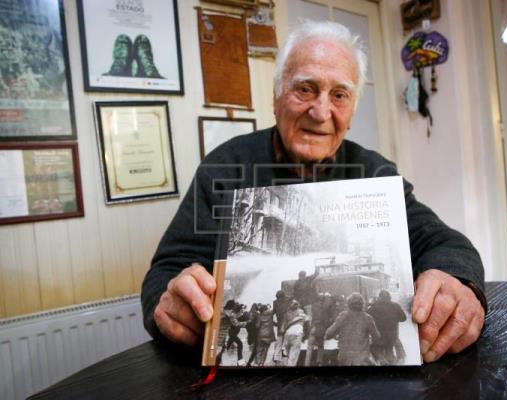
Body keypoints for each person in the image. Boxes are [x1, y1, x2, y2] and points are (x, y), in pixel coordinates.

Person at [141, 20, 486, 364]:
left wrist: (455, 283)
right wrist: (170, 304)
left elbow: (447, 244)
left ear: (350, 112)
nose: (321, 113)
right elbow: (167, 270)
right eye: (305, 89)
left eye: (339, 95)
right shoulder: (225, 167)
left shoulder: (374, 171)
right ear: (275, 98)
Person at [325, 293, 381, 366]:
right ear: (362, 304)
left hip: (344, 357)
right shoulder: (367, 318)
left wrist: (338, 335)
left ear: (349, 304)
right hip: (362, 358)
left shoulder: (343, 316)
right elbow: (377, 337)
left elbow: (328, 333)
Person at [366, 290, 407, 365]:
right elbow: (403, 318)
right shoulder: (395, 306)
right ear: (389, 297)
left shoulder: (373, 307)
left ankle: (382, 361)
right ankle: (393, 362)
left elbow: (366, 318)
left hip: (378, 337)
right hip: (392, 336)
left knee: (378, 352)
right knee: (389, 352)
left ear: (379, 297)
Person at [282, 300, 307, 366]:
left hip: (287, 334)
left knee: (287, 355)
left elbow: (284, 326)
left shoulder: (286, 313)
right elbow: (307, 322)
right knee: (293, 356)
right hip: (297, 334)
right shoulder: (301, 312)